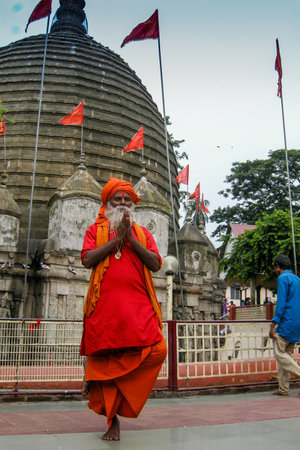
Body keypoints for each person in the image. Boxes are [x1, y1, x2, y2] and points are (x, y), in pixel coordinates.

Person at [80, 178, 167, 440]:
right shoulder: (95, 230)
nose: (122, 203)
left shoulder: (143, 233)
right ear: (107, 203)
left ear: (132, 203)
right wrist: (116, 240)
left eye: (126, 199)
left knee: (159, 349)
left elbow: (155, 264)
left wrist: (130, 238)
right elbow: (87, 259)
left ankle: (94, 377)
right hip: (104, 308)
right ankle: (112, 421)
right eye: (116, 199)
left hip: (139, 308)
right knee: (106, 358)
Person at [269, 254, 300, 396]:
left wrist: (273, 324)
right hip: (297, 322)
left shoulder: (283, 278)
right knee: (286, 355)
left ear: (278, 266)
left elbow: (281, 303)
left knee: (279, 353)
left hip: (287, 322)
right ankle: (284, 388)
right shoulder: (297, 279)